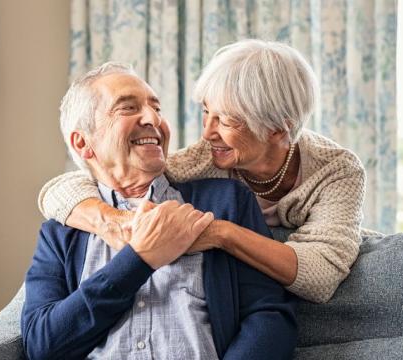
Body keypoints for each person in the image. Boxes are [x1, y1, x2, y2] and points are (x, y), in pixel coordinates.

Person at [39, 39, 366, 304]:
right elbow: (64, 188)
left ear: (278, 130)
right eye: (206, 113)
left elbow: (320, 277)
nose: (207, 133)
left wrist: (220, 234)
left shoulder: (336, 170)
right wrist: (113, 221)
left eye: (225, 120)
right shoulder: (204, 158)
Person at [21, 63, 298, 360]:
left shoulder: (224, 202)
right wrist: (138, 259)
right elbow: (42, 345)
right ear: (83, 142)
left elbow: (270, 317)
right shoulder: (61, 232)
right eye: (128, 108)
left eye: (157, 108)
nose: (153, 119)